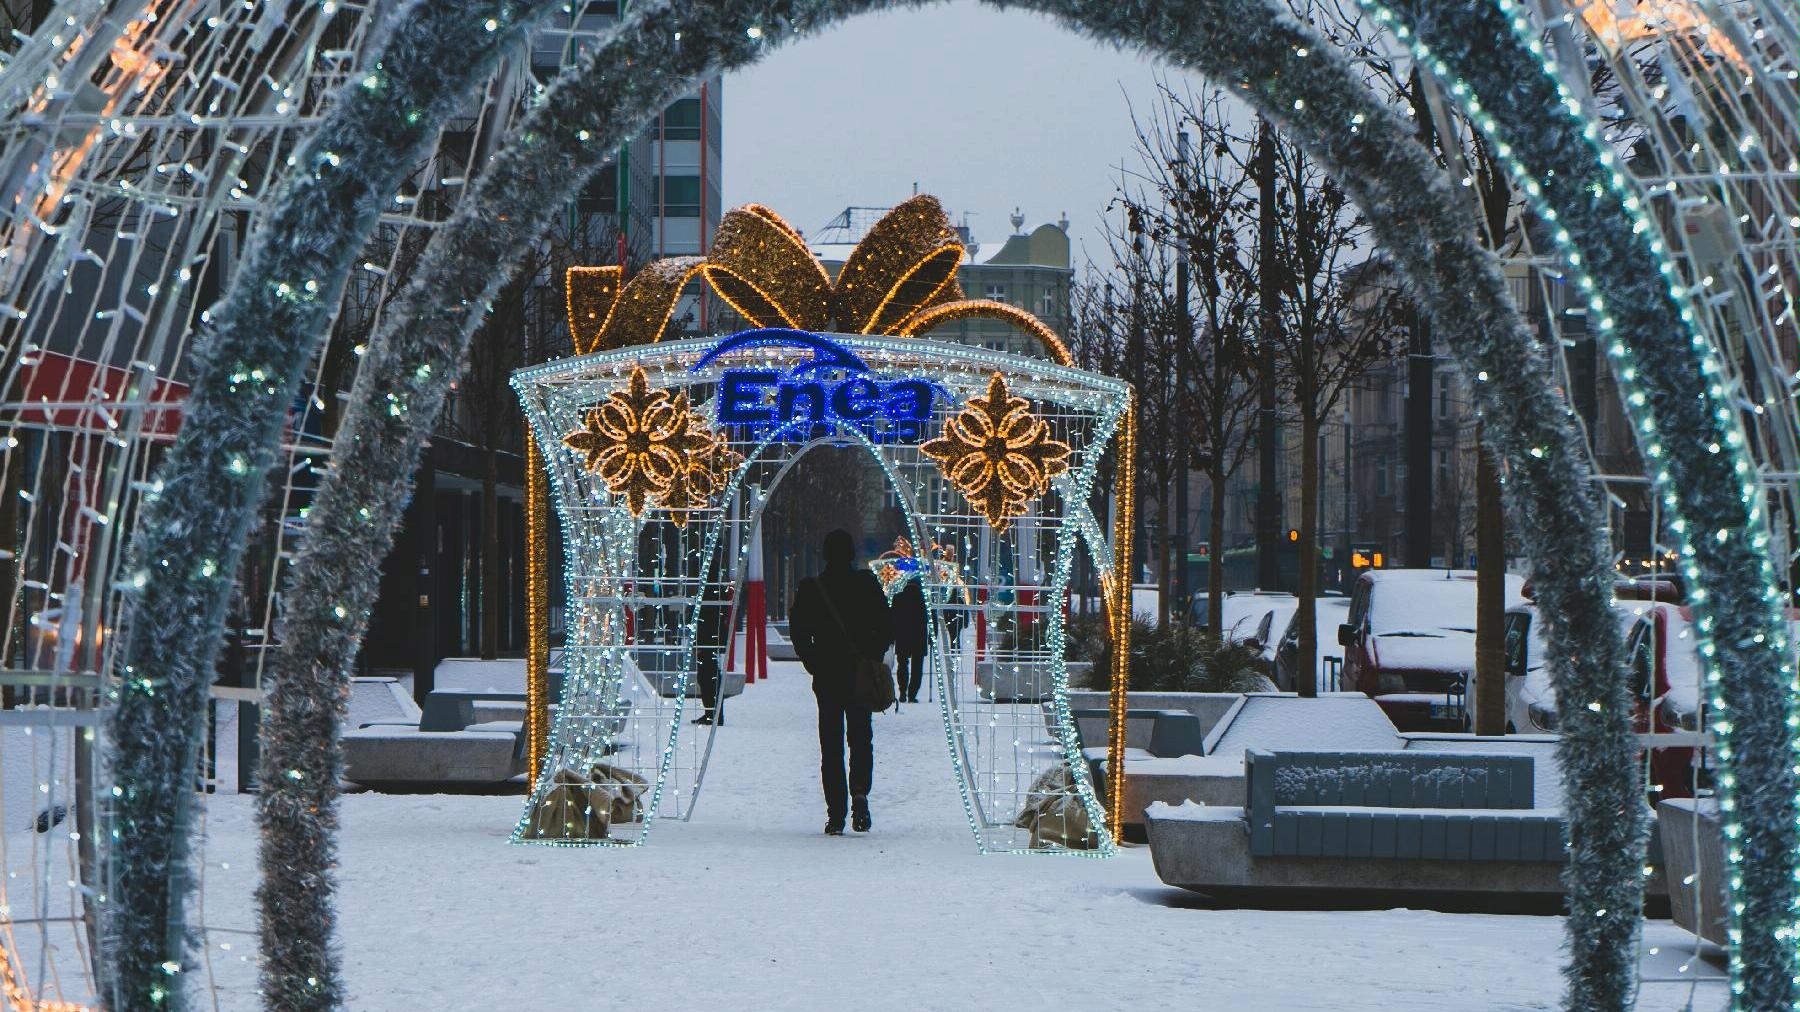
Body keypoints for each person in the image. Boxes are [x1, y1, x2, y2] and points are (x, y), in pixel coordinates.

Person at [788, 529, 892, 835]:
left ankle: (835, 813)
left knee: (831, 745)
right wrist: (871, 654)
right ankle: (859, 791)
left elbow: (799, 631)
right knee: (861, 737)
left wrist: (813, 662)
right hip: (859, 674)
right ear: (851, 553)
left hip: (828, 676)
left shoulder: (812, 588)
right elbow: (886, 626)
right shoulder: (866, 584)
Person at [891, 576, 928, 704]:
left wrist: (892, 635)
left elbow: (893, 617)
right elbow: (927, 619)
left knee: (902, 665)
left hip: (902, 637)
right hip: (919, 638)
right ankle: (912, 695)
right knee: (917, 669)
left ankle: (902, 692)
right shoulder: (923, 599)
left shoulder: (898, 598)